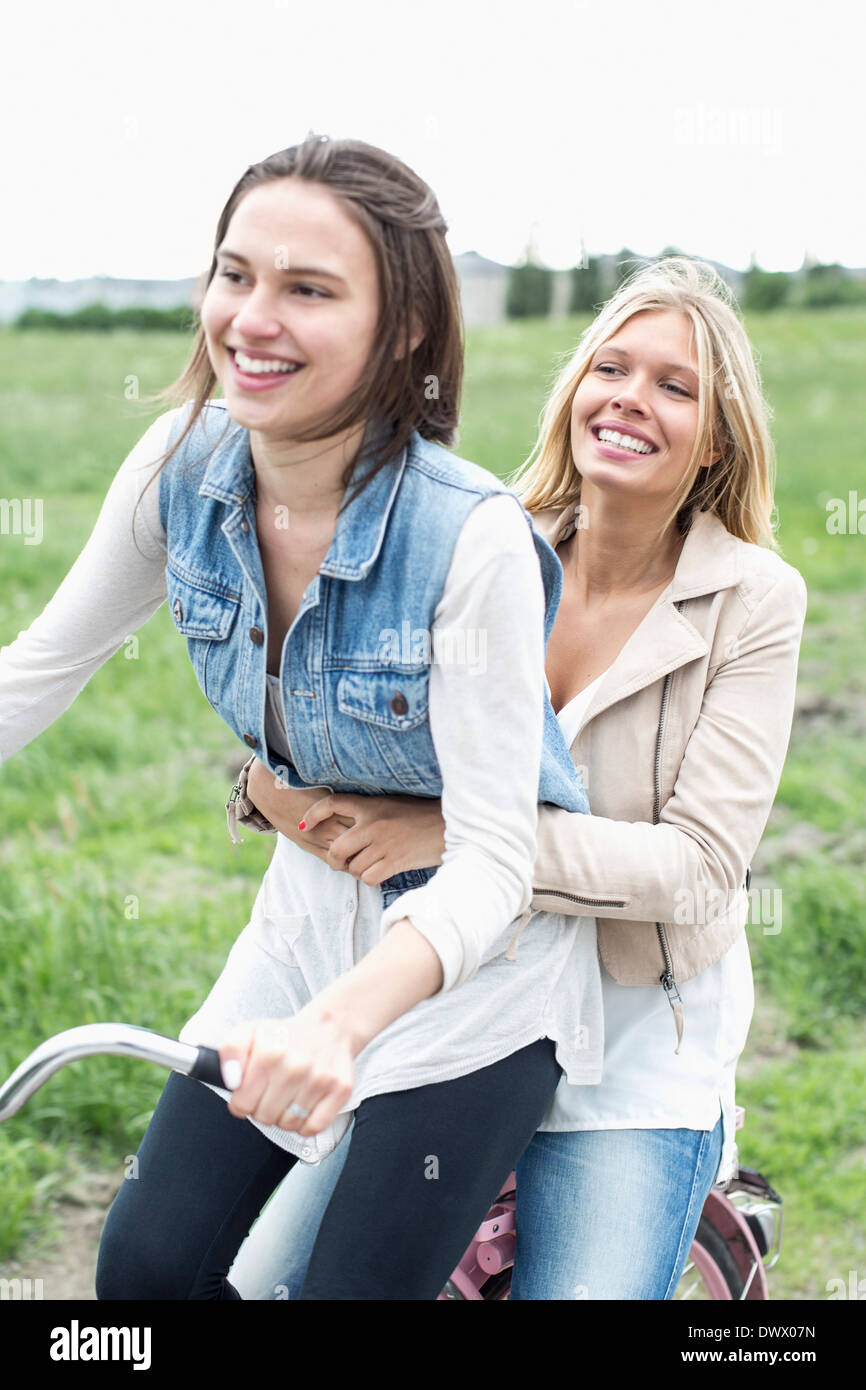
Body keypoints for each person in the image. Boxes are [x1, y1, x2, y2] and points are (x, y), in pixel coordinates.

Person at [0, 135, 606, 1300]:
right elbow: (36, 669)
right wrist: (309, 1008)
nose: (251, 319)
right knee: (144, 1271)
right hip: (300, 938)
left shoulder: (465, 539)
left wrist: (339, 1027)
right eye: (235, 275)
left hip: (470, 986)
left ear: (405, 328)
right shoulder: (183, 460)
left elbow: (492, 867)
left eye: (308, 290)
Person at [226, 256, 808, 1300]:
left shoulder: (751, 598)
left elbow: (697, 866)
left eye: (673, 386)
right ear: (574, 389)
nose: (630, 398)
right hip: (462, 1000)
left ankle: (708, 1203)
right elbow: (340, 721)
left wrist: (461, 838)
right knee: (258, 1280)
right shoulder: (484, 538)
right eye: (610, 367)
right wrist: (268, 782)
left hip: (629, 1036)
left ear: (714, 438)